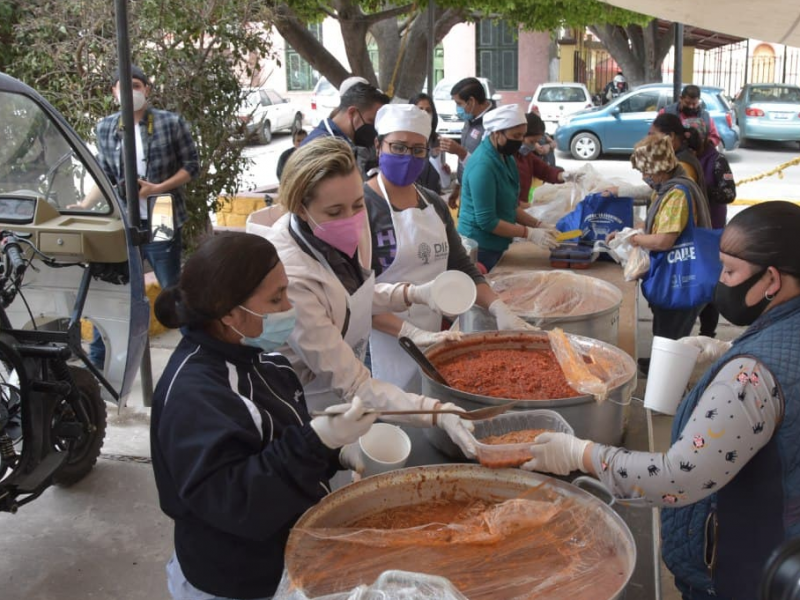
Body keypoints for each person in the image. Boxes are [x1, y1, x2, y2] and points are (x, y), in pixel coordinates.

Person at [522, 200, 800, 600]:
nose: (721, 280)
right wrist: (727, 349)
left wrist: (579, 454)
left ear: (772, 279)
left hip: (751, 563)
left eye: (730, 271)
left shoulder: (752, 378)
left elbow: (679, 478)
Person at [150, 232, 378, 600]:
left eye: (286, 291)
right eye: (276, 299)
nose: (290, 307)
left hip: (286, 555)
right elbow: (237, 502)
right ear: (229, 313)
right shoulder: (195, 396)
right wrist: (315, 442)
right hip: (235, 580)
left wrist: (333, 451)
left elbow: (277, 441)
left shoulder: (260, 357)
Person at [247, 136, 475, 456]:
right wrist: (436, 412)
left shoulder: (342, 231)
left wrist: (414, 294)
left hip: (345, 395)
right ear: (301, 207)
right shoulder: (291, 278)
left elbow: (350, 295)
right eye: (335, 211)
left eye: (357, 205)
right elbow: (354, 384)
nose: (351, 219)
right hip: (305, 404)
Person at [364, 104, 536, 390]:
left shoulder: (433, 203)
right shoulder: (361, 207)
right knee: (388, 420)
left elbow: (462, 266)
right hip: (377, 346)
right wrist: (409, 332)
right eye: (398, 147)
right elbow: (353, 297)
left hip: (431, 338)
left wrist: (498, 308)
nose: (408, 157)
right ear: (378, 145)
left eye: (418, 150)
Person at [70, 64, 200, 369]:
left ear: (147, 90)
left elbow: (191, 166)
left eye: (137, 85)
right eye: (123, 86)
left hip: (162, 214)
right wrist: (85, 205)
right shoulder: (106, 127)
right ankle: (99, 363)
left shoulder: (170, 123)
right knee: (115, 290)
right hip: (123, 220)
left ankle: (196, 352)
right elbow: (103, 174)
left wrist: (157, 188)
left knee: (171, 287)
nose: (130, 92)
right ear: (114, 92)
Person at [614, 134, 711, 374]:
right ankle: (661, 366)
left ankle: (669, 389)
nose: (644, 178)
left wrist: (633, 239)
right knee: (664, 330)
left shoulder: (677, 193)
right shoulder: (666, 187)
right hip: (672, 277)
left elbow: (663, 240)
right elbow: (654, 226)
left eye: (646, 172)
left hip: (681, 279)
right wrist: (625, 232)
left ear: (659, 169)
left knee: (672, 337)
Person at [456, 103, 558, 271]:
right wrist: (528, 233)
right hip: (479, 247)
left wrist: (539, 225)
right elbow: (487, 221)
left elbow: (510, 206)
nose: (520, 141)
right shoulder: (483, 166)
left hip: (497, 244)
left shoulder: (506, 158)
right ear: (497, 134)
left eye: (522, 135)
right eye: (516, 135)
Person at [302, 77, 389, 177]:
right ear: (352, 113)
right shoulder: (319, 150)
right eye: (371, 121)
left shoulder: (348, 142)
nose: (374, 129)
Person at [695, 131, 736, 339]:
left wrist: (702, 190)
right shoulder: (686, 157)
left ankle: (707, 333)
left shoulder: (717, 160)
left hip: (712, 232)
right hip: (692, 231)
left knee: (711, 284)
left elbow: (729, 194)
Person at [439, 77, 496, 205]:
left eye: (459, 103)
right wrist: (457, 188)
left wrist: (460, 151)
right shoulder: (470, 119)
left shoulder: (493, 126)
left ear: (471, 101)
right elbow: (465, 162)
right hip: (467, 190)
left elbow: (486, 167)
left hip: (482, 195)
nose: (457, 109)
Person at [516, 112, 570, 205]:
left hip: (521, 207)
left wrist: (564, 176)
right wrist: (520, 206)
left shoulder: (527, 156)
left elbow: (546, 171)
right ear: (521, 135)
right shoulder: (506, 158)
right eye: (532, 141)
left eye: (536, 142)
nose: (534, 146)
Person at [650, 112, 707, 193]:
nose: (651, 141)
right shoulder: (677, 158)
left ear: (671, 136)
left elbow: (675, 197)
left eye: (654, 135)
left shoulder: (684, 165)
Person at [408, 92, 450, 194]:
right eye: (420, 109)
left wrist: (445, 172)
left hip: (433, 196)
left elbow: (443, 182)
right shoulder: (405, 138)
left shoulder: (437, 140)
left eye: (428, 110)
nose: (424, 113)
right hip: (411, 195)